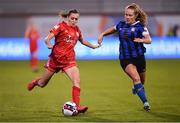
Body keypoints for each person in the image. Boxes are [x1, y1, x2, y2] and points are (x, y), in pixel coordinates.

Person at [27, 9, 100, 114]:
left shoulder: (77, 30)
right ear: (68, 17)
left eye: (76, 19)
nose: (74, 21)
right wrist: (48, 45)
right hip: (55, 60)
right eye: (72, 18)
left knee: (77, 81)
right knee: (42, 84)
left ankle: (77, 106)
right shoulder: (60, 26)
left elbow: (82, 40)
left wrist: (93, 46)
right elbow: (47, 39)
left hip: (69, 61)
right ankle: (36, 82)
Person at [98, 3, 152, 111]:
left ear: (135, 15)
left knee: (141, 81)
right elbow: (113, 29)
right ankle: (145, 102)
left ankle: (136, 86)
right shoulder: (121, 24)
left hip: (139, 57)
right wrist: (102, 34)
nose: (127, 17)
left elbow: (149, 40)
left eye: (130, 15)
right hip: (125, 58)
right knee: (136, 78)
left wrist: (142, 40)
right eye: (126, 14)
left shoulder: (141, 27)